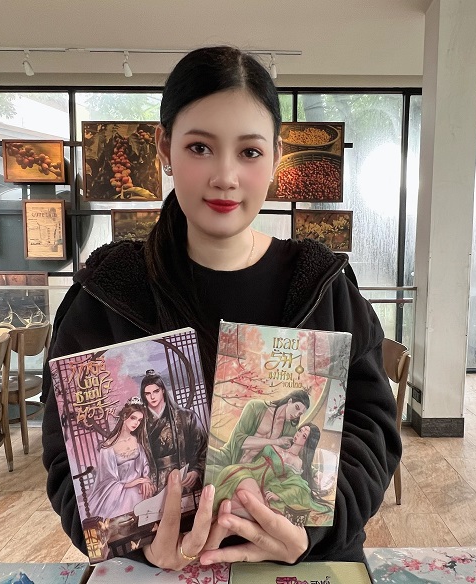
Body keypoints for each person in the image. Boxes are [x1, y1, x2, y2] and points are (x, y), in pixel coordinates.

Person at [41, 45, 401, 571]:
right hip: (162, 570)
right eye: (200, 147)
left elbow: (372, 429)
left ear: (276, 156)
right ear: (164, 147)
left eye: (250, 152)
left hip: (300, 566)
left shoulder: (322, 286)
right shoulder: (108, 293)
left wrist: (312, 535)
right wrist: (141, 545)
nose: (225, 176)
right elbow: (66, 456)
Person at [211, 423, 331, 524]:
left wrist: (280, 495)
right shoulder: (280, 444)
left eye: (304, 436)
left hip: (261, 481)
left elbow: (297, 485)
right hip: (247, 469)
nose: (299, 434)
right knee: (231, 472)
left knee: (240, 492)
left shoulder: (297, 462)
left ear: (307, 443)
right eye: (300, 430)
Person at [206, 390, 310, 476]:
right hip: (228, 457)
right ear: (290, 401)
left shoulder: (290, 430)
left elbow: (296, 452)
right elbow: (239, 440)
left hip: (249, 471)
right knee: (203, 457)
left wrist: (312, 471)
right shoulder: (255, 407)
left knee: (210, 474)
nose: (296, 414)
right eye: (297, 407)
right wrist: (276, 441)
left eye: (300, 413)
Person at [139, 369, 207, 492]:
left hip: (184, 475)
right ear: (144, 396)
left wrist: (196, 470)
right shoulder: (140, 424)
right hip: (156, 482)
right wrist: (144, 479)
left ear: (163, 390)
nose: (152, 397)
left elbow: (204, 447)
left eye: (156, 391)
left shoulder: (187, 416)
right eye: (148, 393)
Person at [85, 402, 155, 520]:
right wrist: (129, 484)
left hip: (140, 486)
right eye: (133, 418)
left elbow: (145, 465)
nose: (136, 423)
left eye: (139, 420)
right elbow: (107, 478)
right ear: (124, 416)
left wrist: (146, 480)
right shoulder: (108, 447)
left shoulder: (137, 441)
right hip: (118, 491)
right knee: (132, 498)